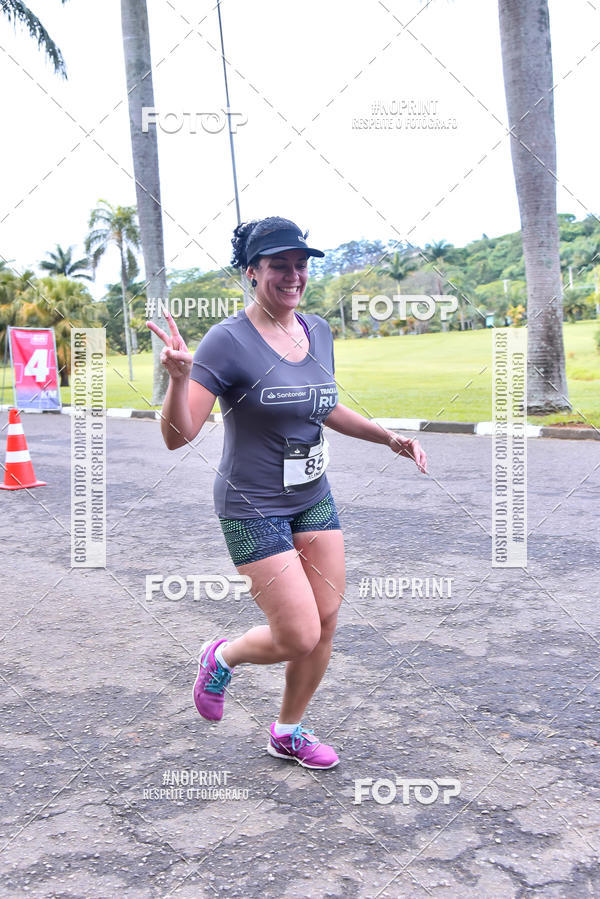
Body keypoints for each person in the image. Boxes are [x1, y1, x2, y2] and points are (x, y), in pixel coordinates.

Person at [147, 216, 427, 770]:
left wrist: (385, 437)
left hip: (312, 495)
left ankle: (288, 731)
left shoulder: (318, 330)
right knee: (296, 634)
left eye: (301, 264)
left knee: (325, 621)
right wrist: (180, 379)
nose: (294, 275)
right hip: (252, 505)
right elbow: (179, 437)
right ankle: (220, 656)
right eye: (279, 265)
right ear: (252, 272)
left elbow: (324, 405)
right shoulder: (226, 341)